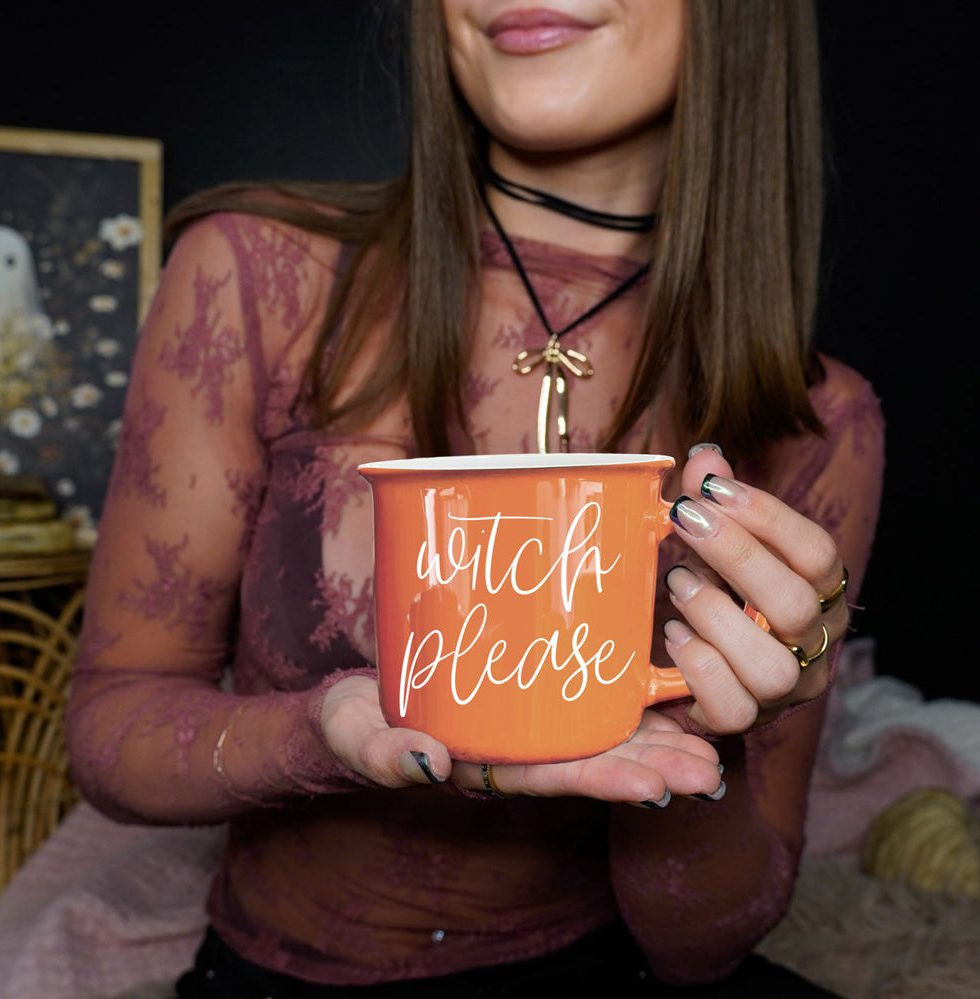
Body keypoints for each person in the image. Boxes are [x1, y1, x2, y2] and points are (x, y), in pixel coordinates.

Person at [64, 1, 884, 995]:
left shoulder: (818, 419)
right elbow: (111, 727)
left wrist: (713, 738)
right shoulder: (254, 274)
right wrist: (322, 734)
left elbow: (699, 948)